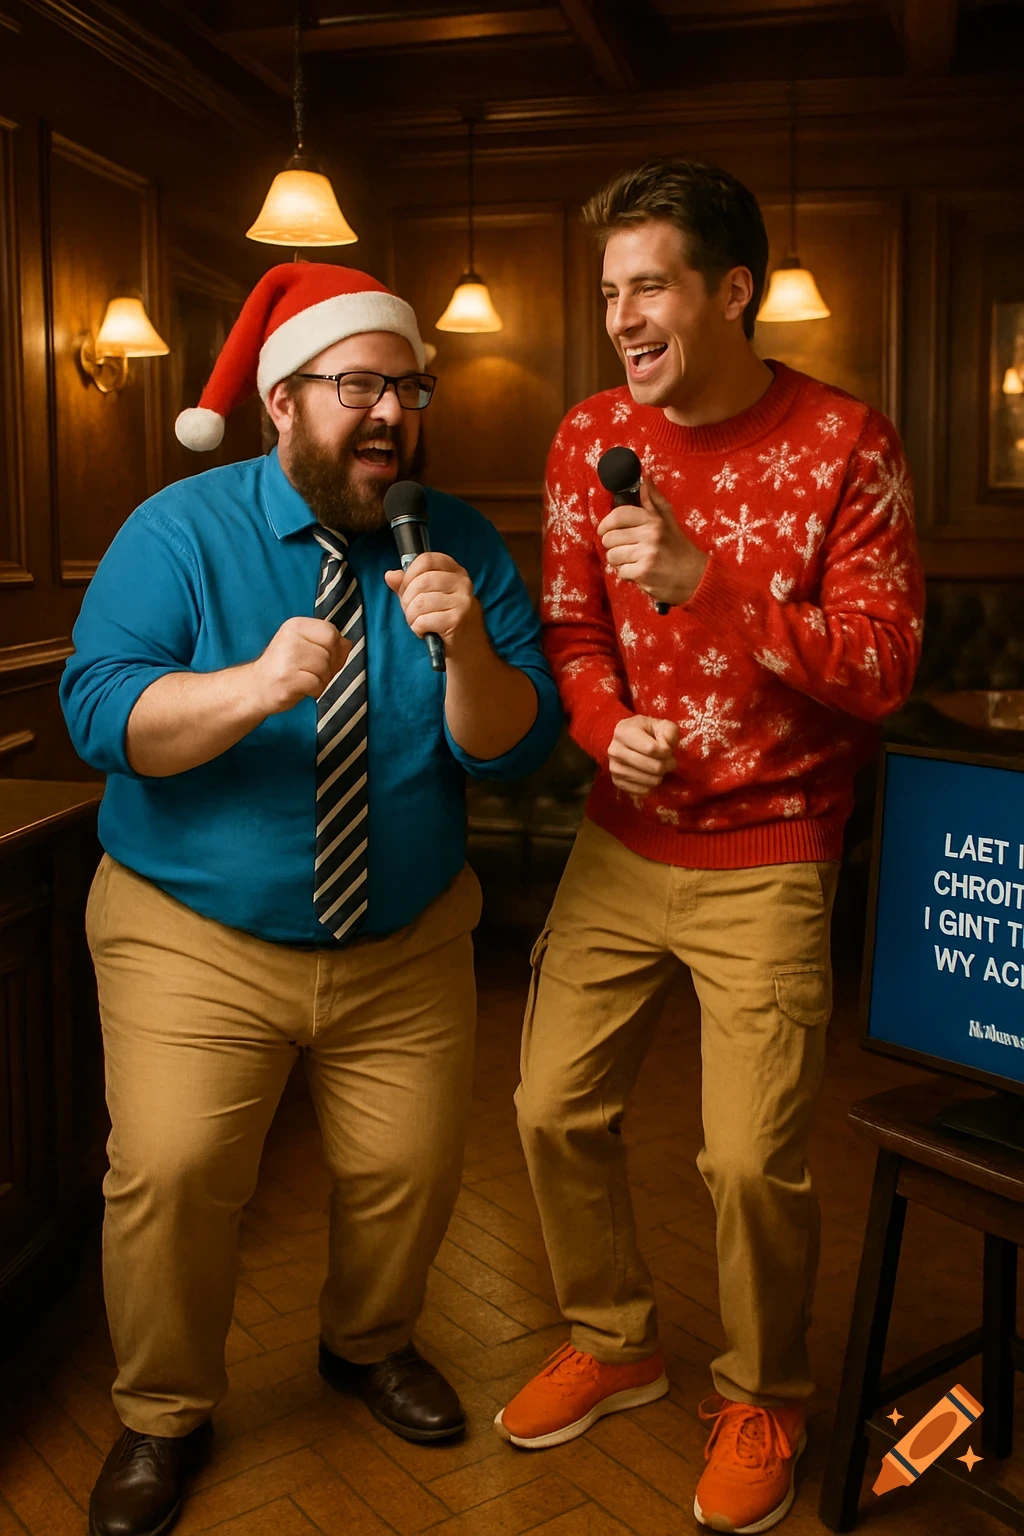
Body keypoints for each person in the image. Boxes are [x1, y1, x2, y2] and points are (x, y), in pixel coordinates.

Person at [60, 261, 562, 1536]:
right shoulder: (176, 533)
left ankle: (365, 1344)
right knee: (172, 1173)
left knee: (408, 1167)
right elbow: (100, 713)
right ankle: (161, 1412)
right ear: (281, 402)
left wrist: (473, 650)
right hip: (195, 933)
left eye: (406, 387)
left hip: (400, 936)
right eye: (357, 386)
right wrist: (250, 686)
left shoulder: (463, 541)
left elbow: (504, 747)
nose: (388, 411)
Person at [496, 159, 924, 1534]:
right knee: (551, 1106)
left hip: (775, 849)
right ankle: (616, 1341)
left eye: (650, 284)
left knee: (748, 1162)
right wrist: (603, 722)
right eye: (609, 290)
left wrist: (711, 585)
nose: (622, 315)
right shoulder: (583, 437)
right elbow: (568, 629)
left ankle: (764, 1392)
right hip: (622, 840)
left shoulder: (847, 443)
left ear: (730, 290)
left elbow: (884, 664)